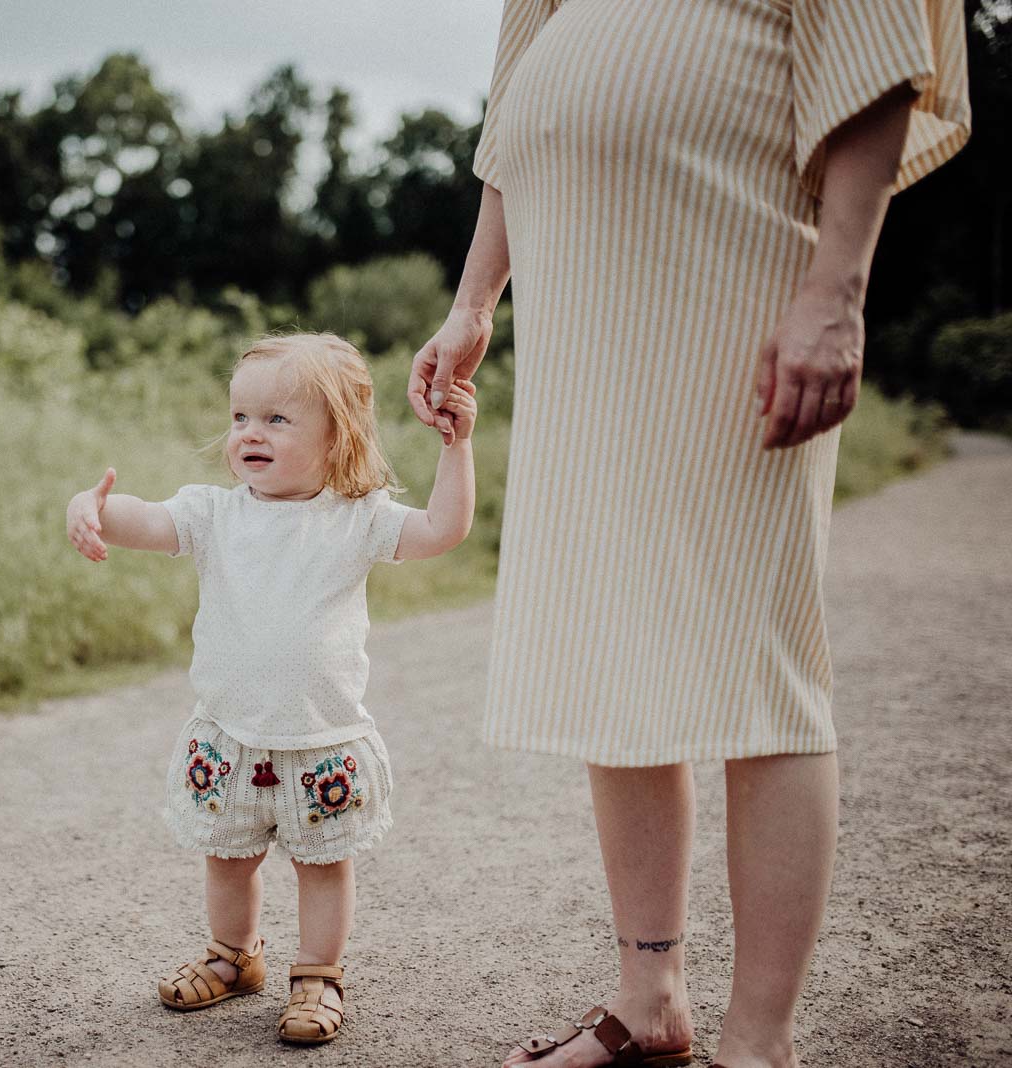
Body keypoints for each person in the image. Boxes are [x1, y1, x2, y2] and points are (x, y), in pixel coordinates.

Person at [407, 1, 970, 1065]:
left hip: (731, 275)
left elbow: (878, 58)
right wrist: (476, 298)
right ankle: (649, 1001)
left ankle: (758, 1043)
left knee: (758, 655)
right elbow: (516, 113)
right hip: (585, 305)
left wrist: (836, 293)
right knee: (615, 641)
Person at [65, 333, 476, 1044]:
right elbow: (149, 518)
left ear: (336, 435)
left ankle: (317, 973)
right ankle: (234, 955)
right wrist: (92, 507)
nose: (251, 434)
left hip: (320, 742)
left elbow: (443, 529)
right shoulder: (214, 514)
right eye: (240, 419)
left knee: (322, 868)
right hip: (229, 736)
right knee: (227, 857)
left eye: (277, 420)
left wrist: (456, 449)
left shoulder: (357, 519)